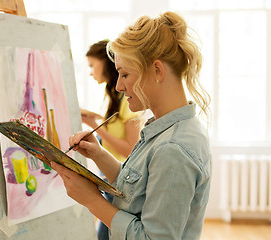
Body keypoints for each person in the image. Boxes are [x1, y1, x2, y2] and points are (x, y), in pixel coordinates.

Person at [51, 11, 212, 240]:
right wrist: (99, 155)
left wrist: (91, 200)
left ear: (157, 70)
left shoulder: (173, 148)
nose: (118, 86)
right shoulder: (164, 130)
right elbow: (137, 191)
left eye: (124, 74)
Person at [82, 39, 141, 240]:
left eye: (92, 65)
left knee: (105, 234)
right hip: (108, 175)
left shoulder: (128, 100)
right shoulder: (111, 95)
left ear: (106, 63)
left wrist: (93, 126)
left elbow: (129, 149)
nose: (90, 72)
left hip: (120, 177)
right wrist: (94, 117)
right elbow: (113, 124)